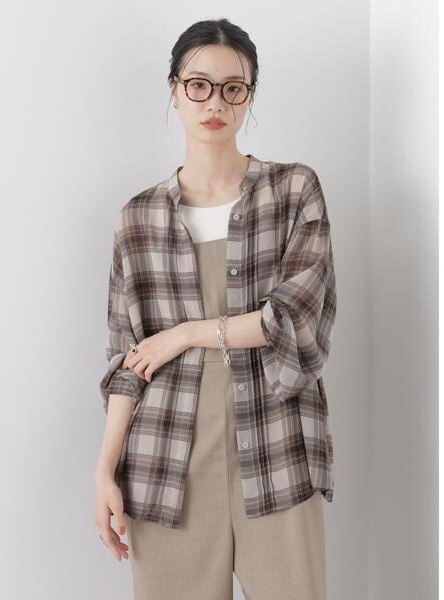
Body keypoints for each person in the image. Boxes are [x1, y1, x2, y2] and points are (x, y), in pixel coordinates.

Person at [93, 17, 337, 600]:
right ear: (174, 90)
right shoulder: (138, 218)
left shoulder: (293, 191)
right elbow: (126, 361)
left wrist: (183, 334)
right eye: (198, 85)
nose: (215, 102)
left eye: (233, 87)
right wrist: (103, 470)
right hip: (164, 463)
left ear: (250, 95)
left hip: (275, 453)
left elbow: (295, 319)